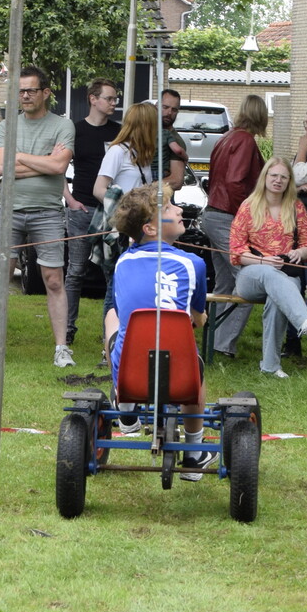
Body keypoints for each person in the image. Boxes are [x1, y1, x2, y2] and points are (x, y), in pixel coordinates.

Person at [102, 185, 212, 477]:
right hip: (181, 378)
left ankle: (125, 407)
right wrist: (200, 318)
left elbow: (125, 308)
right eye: (169, 208)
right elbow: (198, 317)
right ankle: (194, 451)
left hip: (130, 373)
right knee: (196, 363)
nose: (179, 210)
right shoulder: (194, 264)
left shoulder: (123, 262)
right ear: (149, 228)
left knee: (113, 316)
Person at [0, 66, 74, 367]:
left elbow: (59, 168)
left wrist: (20, 156)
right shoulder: (6, 126)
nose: (24, 95)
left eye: (31, 90)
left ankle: (61, 348)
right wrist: (45, 161)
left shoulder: (62, 125)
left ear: (45, 93)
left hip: (47, 212)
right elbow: (2, 168)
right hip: (9, 211)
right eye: (20, 90)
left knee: (53, 280)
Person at [228, 157, 307, 377]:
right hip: (252, 274)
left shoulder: (296, 207)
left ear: (289, 181)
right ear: (265, 177)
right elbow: (236, 253)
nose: (278, 180)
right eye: (274, 175)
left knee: (277, 296)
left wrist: (299, 253)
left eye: (284, 177)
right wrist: (264, 261)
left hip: (286, 274)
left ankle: (270, 366)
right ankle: (306, 324)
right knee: (269, 273)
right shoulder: (248, 206)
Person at [202, 94, 268, 358]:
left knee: (224, 284)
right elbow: (235, 182)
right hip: (228, 217)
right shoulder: (246, 141)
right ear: (260, 115)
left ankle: (213, 341)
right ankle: (223, 344)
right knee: (249, 282)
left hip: (213, 214)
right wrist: (248, 216)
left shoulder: (226, 138)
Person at [63, 78, 120, 346]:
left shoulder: (119, 132)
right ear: (93, 99)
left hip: (110, 211)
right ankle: (66, 329)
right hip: (82, 209)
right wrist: (70, 199)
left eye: (115, 99)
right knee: (75, 271)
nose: (113, 103)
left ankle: (111, 332)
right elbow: (58, 167)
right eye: (109, 98)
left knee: (112, 273)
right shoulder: (75, 131)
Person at [156, 88, 188, 188]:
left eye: (174, 110)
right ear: (156, 106)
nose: (169, 112)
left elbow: (176, 180)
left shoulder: (176, 141)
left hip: (159, 195)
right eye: (165, 107)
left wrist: (144, 188)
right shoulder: (143, 131)